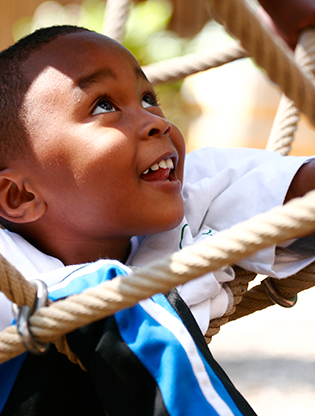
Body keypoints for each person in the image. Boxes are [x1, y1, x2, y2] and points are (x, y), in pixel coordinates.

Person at [0, 0, 315, 413]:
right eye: (104, 106)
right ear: (20, 197)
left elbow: (302, 199)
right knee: (98, 294)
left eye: (149, 97)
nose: (156, 121)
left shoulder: (194, 192)